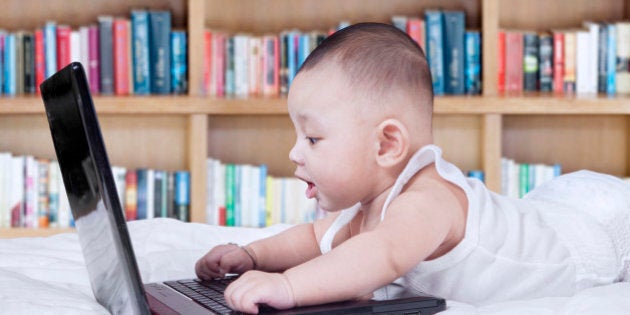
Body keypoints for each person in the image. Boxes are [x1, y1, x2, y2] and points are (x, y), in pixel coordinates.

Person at [195, 22, 630, 313]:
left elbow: (376, 256)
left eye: (312, 138)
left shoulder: (425, 201)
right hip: (546, 212)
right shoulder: (370, 204)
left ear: (386, 144)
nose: (294, 153)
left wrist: (288, 288)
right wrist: (253, 255)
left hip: (594, 232)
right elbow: (313, 238)